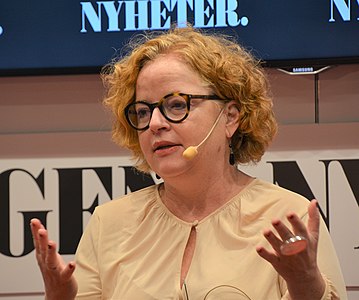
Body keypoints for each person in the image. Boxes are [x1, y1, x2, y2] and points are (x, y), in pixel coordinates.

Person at [30, 26, 347, 299]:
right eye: (142, 111)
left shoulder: (286, 217)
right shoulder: (109, 223)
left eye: (176, 105)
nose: (155, 123)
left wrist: (307, 286)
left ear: (230, 116)